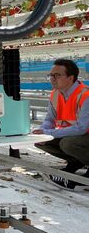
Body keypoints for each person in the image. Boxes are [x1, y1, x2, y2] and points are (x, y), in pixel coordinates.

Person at [32, 59, 89, 190]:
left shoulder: (85, 95)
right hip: (78, 136)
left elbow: (81, 128)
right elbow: (49, 120)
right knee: (40, 141)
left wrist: (49, 133)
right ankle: (76, 162)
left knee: (68, 144)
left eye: (57, 75)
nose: (52, 79)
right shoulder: (56, 94)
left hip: (83, 135)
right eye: (51, 75)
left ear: (70, 78)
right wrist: (42, 131)